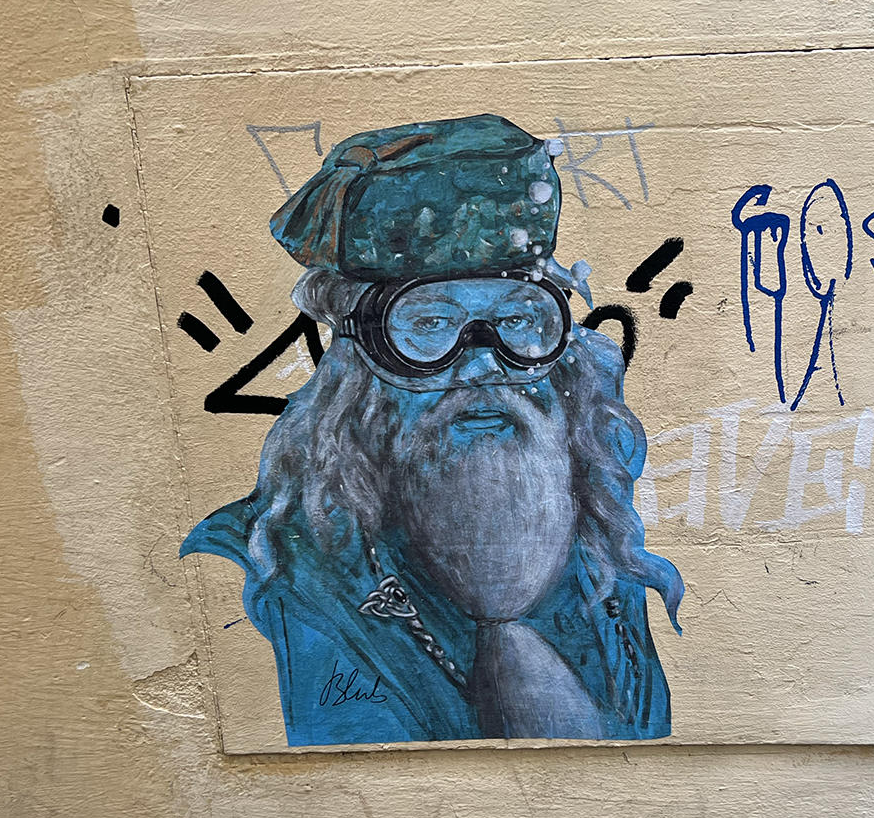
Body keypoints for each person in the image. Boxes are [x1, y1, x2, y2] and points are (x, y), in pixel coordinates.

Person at [182, 113, 683, 745]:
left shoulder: (606, 556)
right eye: (429, 325)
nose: (481, 363)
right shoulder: (265, 575)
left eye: (518, 320)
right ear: (358, 363)